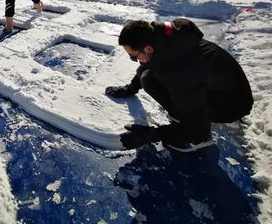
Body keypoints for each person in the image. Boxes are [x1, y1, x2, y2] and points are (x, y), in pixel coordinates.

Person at [106, 18, 253, 152]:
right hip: (217, 89)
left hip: (230, 106)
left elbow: (197, 130)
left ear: (148, 49)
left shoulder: (182, 72)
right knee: (147, 77)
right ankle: (184, 116)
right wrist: (130, 89)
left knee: (194, 131)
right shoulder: (167, 40)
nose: (135, 60)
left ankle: (197, 142)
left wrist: (150, 135)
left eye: (133, 57)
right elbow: (148, 64)